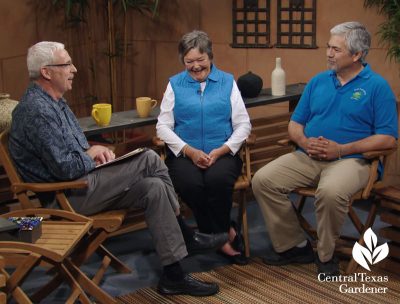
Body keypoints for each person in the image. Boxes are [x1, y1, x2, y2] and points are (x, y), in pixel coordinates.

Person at [9, 41, 229, 297]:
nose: (74, 69)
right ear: (47, 72)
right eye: (67, 64)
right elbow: (65, 168)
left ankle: (173, 276)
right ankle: (187, 236)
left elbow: (74, 151)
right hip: (66, 199)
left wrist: (95, 150)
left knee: (154, 187)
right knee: (148, 158)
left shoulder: (54, 102)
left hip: (83, 185)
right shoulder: (36, 111)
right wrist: (91, 155)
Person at [252, 21, 398, 278]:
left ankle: (325, 255)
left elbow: (388, 140)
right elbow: (295, 124)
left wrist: (341, 150)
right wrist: (304, 141)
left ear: (357, 54)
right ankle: (294, 246)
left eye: (336, 49)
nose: (328, 53)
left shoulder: (377, 87)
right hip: (308, 154)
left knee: (330, 191)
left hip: (354, 161)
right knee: (263, 180)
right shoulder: (318, 81)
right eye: (328, 47)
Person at [156, 30, 252, 265]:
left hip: (222, 152)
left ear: (210, 56)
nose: (196, 67)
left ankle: (212, 237)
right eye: (190, 62)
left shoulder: (227, 82)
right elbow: (163, 127)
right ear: (183, 61)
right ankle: (224, 234)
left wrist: (222, 150)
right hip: (185, 154)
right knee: (190, 184)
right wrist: (189, 151)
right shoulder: (174, 84)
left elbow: (243, 124)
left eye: (201, 60)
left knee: (217, 180)